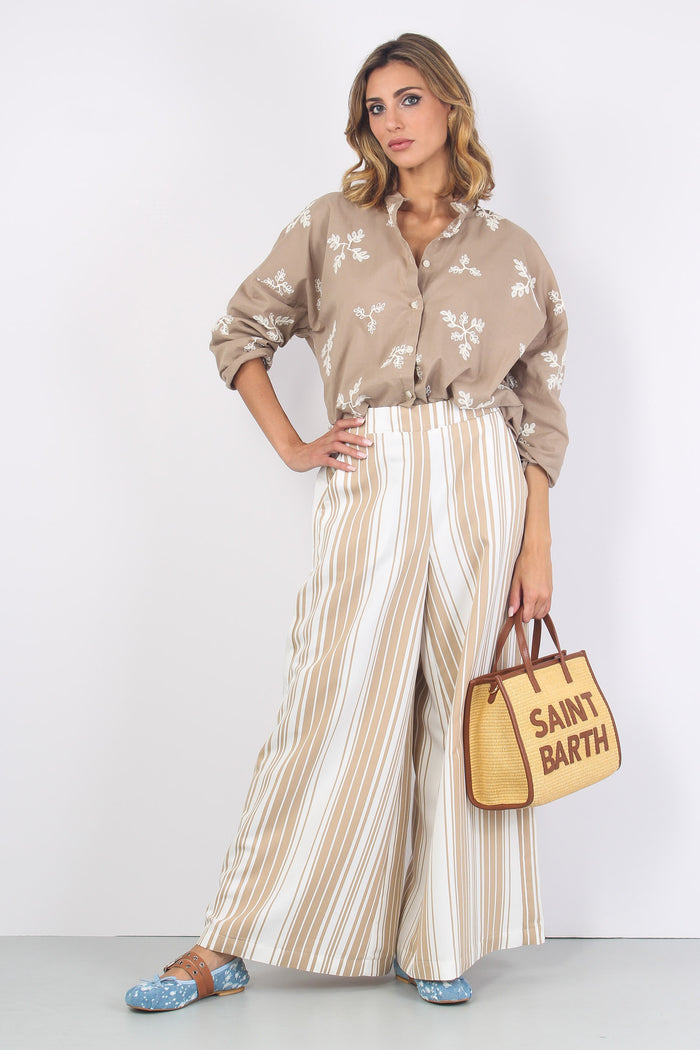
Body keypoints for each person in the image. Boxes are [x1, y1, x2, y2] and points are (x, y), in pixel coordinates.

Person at [125, 30, 568, 1011]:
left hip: (482, 475)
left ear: (449, 106)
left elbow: (541, 403)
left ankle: (438, 939)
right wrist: (293, 444)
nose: (393, 121)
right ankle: (225, 942)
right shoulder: (331, 224)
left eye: (409, 99)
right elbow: (240, 331)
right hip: (373, 466)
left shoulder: (511, 251)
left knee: (460, 709)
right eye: (376, 107)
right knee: (328, 703)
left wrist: (536, 541)